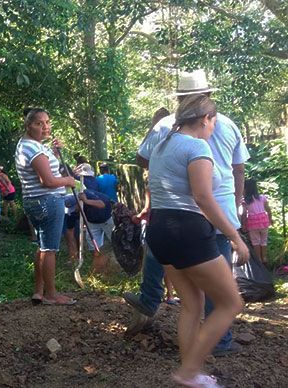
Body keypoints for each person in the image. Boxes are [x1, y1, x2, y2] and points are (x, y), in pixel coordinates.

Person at [124, 70, 250, 359]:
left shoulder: (166, 129)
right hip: (202, 216)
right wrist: (237, 212)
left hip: (172, 219)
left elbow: (142, 159)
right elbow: (233, 172)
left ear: (181, 99)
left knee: (189, 294)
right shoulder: (219, 128)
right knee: (222, 292)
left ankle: (154, 305)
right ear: (207, 103)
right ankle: (214, 344)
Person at [145, 94, 249, 386]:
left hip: (159, 229)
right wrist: (234, 236)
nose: (214, 128)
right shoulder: (197, 146)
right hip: (187, 229)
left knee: (192, 304)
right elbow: (203, 197)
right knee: (230, 303)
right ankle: (188, 372)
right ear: (205, 120)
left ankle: (191, 374)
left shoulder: (163, 144)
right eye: (214, 122)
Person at [15, 107, 76, 305]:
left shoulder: (32, 146)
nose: (45, 127)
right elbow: (48, 181)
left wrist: (56, 155)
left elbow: (48, 169)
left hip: (36, 201)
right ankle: (51, 294)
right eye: (39, 123)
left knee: (42, 247)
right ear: (28, 125)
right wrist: (68, 180)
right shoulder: (32, 148)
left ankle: (38, 291)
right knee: (49, 249)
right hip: (47, 201)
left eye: (47, 122)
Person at [77, 188, 113, 273]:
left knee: (116, 242)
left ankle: (117, 264)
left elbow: (101, 204)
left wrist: (86, 201)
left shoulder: (88, 194)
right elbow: (79, 211)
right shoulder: (76, 198)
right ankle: (99, 269)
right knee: (95, 248)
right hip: (92, 222)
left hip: (107, 220)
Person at [242, 178, 273, 264]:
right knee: (264, 240)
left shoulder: (245, 202)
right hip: (263, 221)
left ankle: (259, 259)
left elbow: (244, 215)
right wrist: (270, 219)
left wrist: (244, 225)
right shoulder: (262, 198)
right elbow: (268, 210)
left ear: (246, 189)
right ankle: (265, 258)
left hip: (252, 223)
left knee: (255, 241)